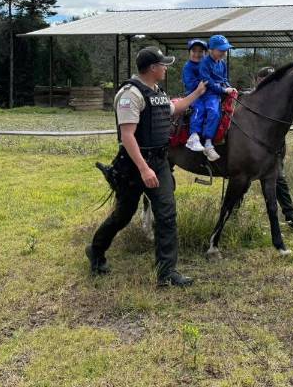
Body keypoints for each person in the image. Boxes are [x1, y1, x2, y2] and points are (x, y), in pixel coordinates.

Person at [87, 46, 207, 286]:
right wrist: (143, 169)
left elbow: (173, 109)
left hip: (159, 162)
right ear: (152, 68)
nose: (165, 68)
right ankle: (96, 250)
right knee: (123, 214)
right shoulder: (130, 95)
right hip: (135, 165)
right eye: (163, 65)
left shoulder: (157, 91)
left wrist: (197, 93)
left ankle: (166, 273)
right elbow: (128, 136)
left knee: (166, 214)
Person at [254, 66, 293, 231]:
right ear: (258, 81)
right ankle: (234, 214)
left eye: (272, 79)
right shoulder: (251, 98)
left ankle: (291, 216)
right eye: (265, 79)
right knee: (241, 182)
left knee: (279, 179)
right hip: (253, 148)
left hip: (274, 147)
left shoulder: (281, 99)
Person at [185, 34, 237, 161]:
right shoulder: (203, 64)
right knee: (206, 110)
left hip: (213, 92)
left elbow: (224, 79)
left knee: (220, 111)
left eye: (225, 50)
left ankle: (211, 141)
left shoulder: (222, 63)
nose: (224, 53)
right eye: (221, 50)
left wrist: (229, 87)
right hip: (202, 93)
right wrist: (223, 89)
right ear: (211, 50)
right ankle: (196, 137)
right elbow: (207, 81)